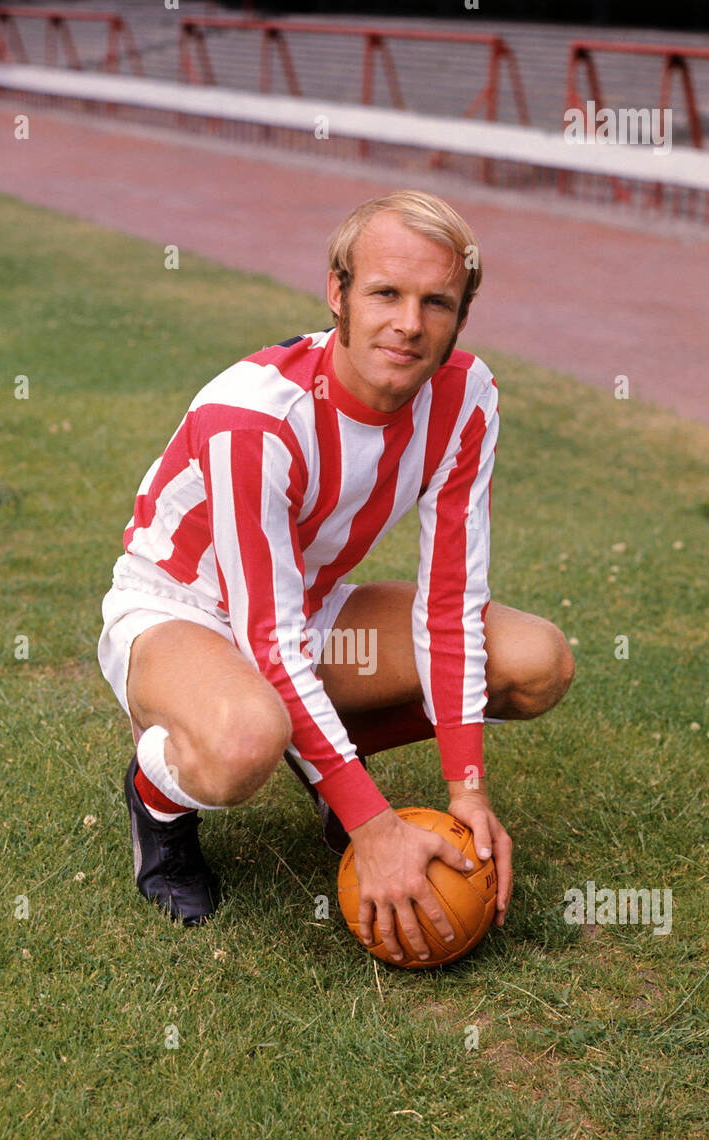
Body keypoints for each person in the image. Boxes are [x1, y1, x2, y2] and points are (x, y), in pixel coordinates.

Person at [97, 189, 573, 965]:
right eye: (385, 293)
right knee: (246, 736)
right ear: (337, 292)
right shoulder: (253, 416)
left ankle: (323, 750)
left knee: (535, 662)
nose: (409, 324)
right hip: (181, 612)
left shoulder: (466, 398)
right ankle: (158, 801)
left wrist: (468, 792)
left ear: (462, 313)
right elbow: (265, 637)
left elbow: (451, 603)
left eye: (437, 302)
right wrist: (372, 825)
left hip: (307, 611)